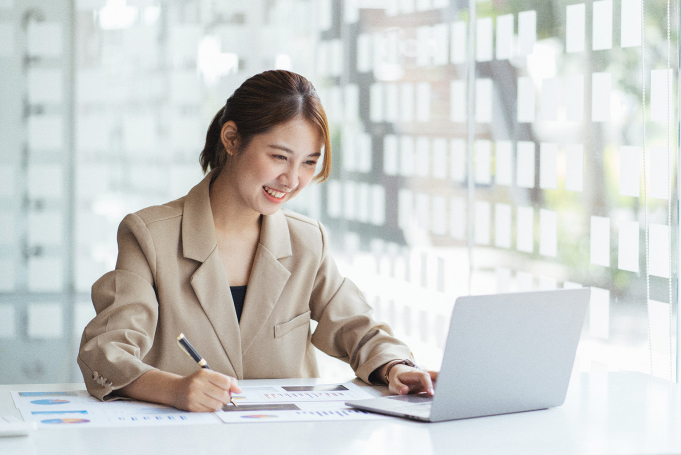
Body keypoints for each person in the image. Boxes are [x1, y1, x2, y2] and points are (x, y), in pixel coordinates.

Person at [78, 70, 437, 412]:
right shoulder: (150, 235)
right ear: (231, 138)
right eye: (279, 157)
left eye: (309, 163)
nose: (292, 179)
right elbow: (106, 353)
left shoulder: (308, 240)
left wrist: (395, 367)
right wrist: (173, 389)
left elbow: (357, 327)